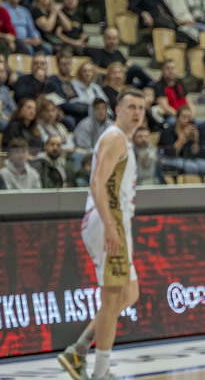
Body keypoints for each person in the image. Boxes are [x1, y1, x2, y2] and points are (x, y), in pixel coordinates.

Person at [56, 88, 148, 380]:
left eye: (141, 108)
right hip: (110, 219)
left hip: (116, 219)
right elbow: (96, 183)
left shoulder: (122, 140)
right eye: (131, 106)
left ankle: (79, 350)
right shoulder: (114, 138)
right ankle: (100, 373)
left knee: (129, 294)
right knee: (112, 299)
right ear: (117, 110)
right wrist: (110, 225)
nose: (137, 112)